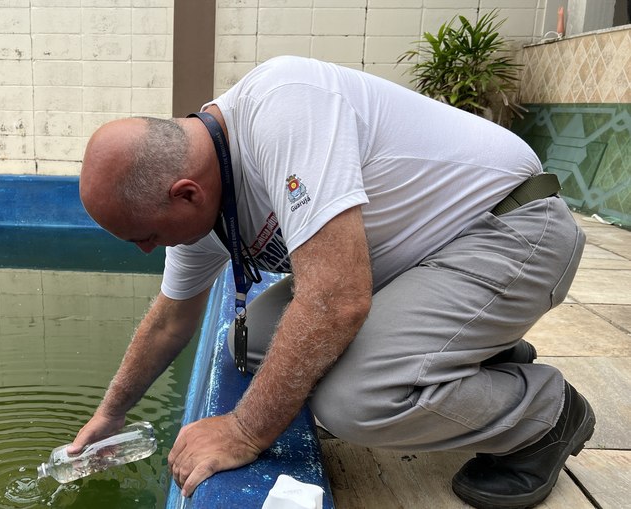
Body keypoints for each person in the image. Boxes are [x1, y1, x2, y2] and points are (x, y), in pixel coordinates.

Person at [71, 55, 595, 509]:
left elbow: (336, 301)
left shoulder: (284, 106)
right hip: (417, 263)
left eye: (144, 236)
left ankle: (547, 414)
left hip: (512, 228)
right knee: (250, 343)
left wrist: (245, 430)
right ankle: (466, 352)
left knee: (355, 402)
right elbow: (169, 321)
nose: (145, 249)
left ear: (186, 193)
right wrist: (109, 415)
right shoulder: (203, 198)